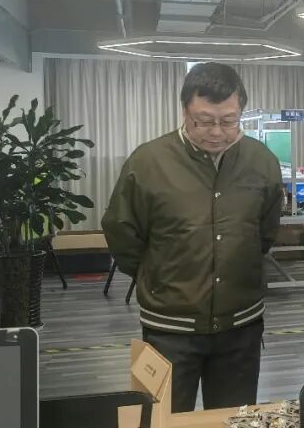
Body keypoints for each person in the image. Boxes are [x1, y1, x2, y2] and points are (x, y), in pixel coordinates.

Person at [102, 62, 284, 412]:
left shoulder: (261, 161)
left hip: (240, 326)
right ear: (185, 110)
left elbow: (264, 233)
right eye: (204, 120)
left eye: (229, 121)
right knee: (161, 418)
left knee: (233, 419)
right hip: (169, 328)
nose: (217, 132)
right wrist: (157, 275)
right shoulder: (148, 162)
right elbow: (122, 231)